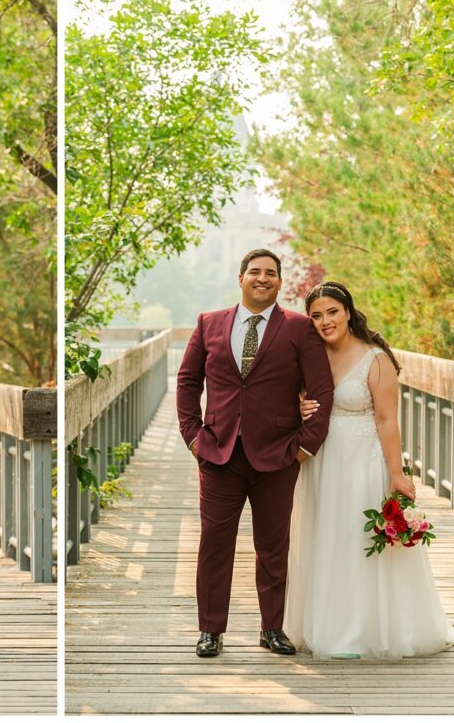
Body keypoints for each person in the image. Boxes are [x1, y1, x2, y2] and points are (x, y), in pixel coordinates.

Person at [285, 281, 454, 658]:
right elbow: (293, 395)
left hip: (361, 462)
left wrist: (397, 473)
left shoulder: (375, 359)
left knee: (357, 540)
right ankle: (327, 623)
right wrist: (301, 406)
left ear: (349, 312)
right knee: (326, 539)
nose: (325, 321)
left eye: (332, 312)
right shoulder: (312, 355)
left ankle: (360, 630)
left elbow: (388, 420)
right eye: (317, 316)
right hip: (322, 462)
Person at [176, 249, 335, 659]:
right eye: (255, 272)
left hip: (278, 457)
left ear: (280, 283)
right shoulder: (208, 324)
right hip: (218, 454)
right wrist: (193, 437)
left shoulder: (300, 330)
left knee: (273, 545)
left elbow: (322, 391)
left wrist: (303, 447)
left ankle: (272, 627)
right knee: (214, 543)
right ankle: (211, 630)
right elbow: (187, 382)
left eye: (271, 273)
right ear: (241, 277)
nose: (262, 278)